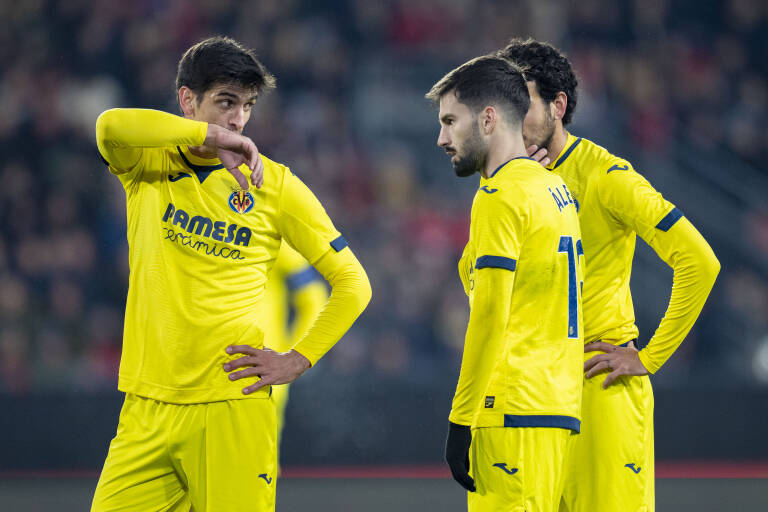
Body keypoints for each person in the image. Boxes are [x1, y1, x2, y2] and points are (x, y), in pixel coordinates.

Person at [91, 36, 371, 512]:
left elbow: (354, 283)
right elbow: (108, 126)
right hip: (146, 406)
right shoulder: (147, 164)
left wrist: (297, 359)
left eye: (246, 106)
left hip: (232, 405)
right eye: (225, 102)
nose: (238, 119)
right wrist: (207, 137)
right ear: (187, 100)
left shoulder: (276, 186)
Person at [499, 38, 720, 512]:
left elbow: (700, 261)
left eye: (524, 103)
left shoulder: (607, 177)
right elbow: (476, 278)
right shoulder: (508, 183)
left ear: (558, 106)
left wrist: (651, 356)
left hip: (597, 386)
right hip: (534, 388)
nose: (510, 118)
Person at [426, 55, 584, 511]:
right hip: (555, 408)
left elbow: (490, 315)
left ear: (489, 119)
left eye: (451, 121)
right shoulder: (553, 188)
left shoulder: (501, 197)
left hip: (510, 410)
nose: (442, 138)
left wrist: (461, 419)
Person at [260, 242, 328, 459]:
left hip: (260, 379)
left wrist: (297, 356)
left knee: (254, 470)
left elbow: (314, 298)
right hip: (196, 375)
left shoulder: (268, 237)